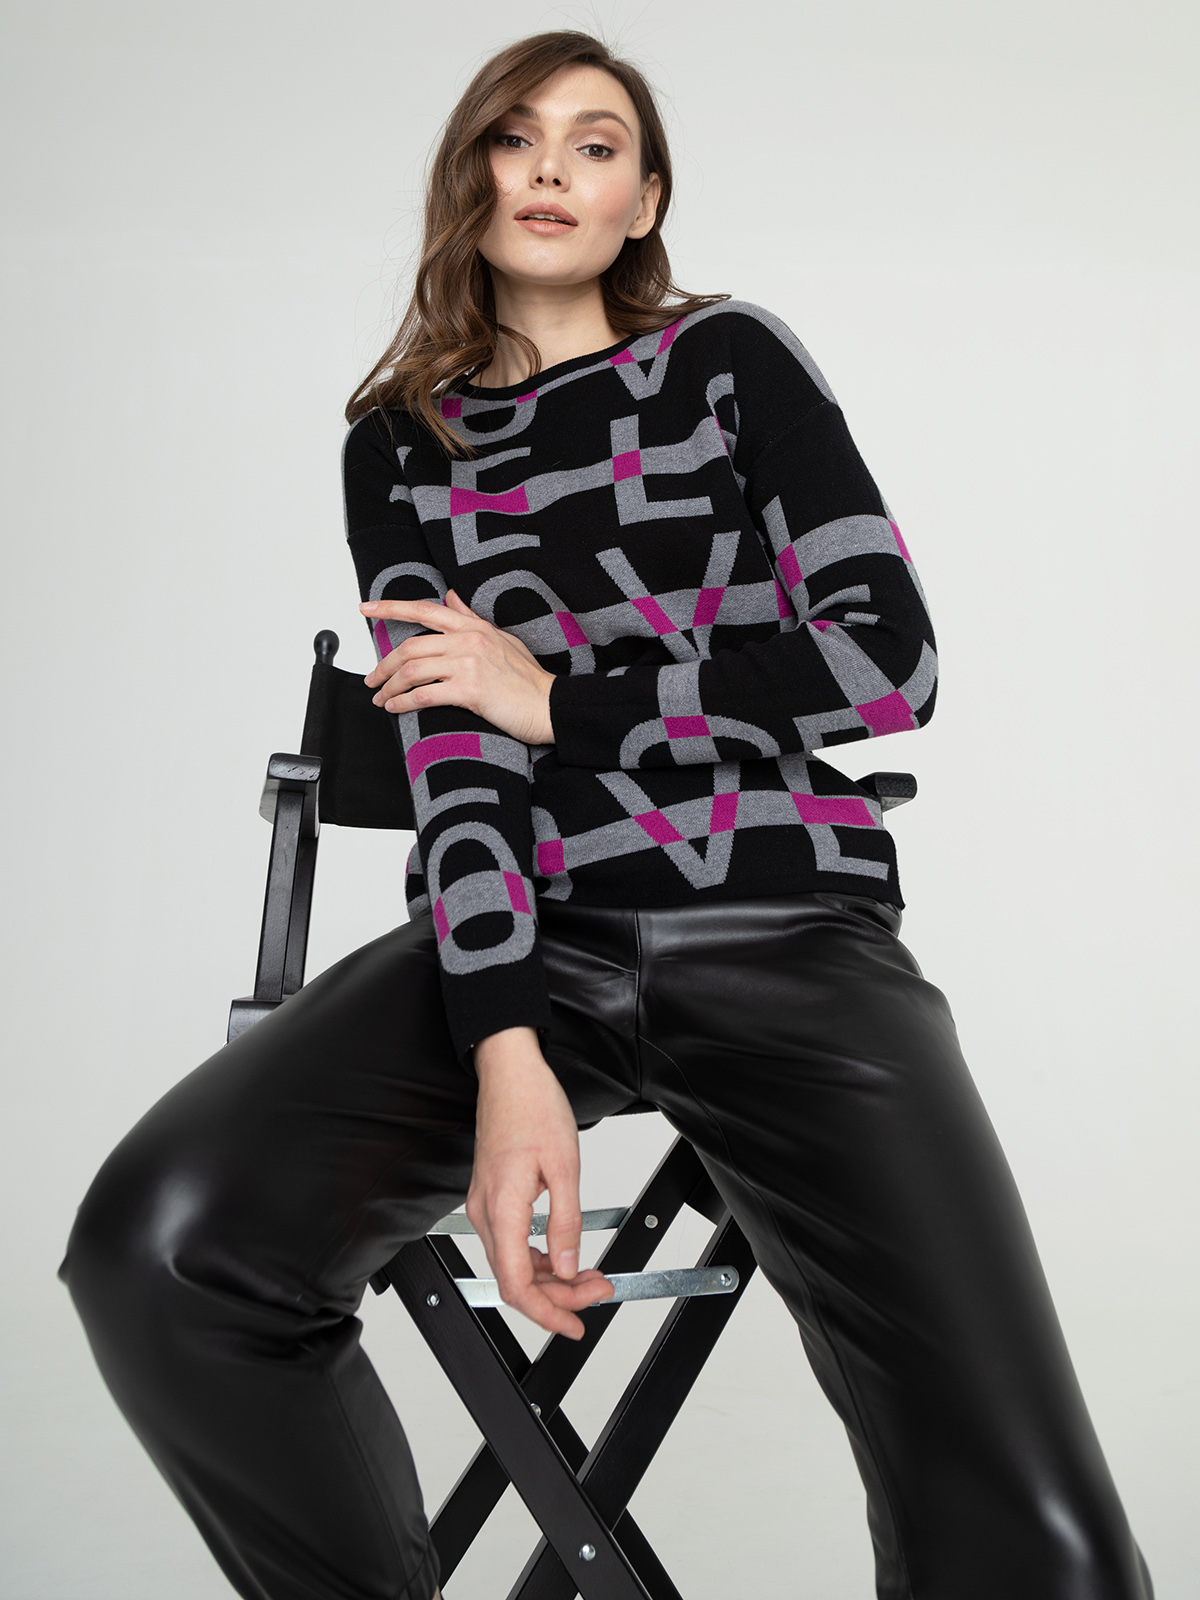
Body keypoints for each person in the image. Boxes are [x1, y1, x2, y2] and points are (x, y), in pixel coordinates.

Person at [61, 29, 1154, 1600]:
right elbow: (455, 755)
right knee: (164, 1248)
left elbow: (884, 660)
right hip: (529, 939)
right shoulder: (400, 443)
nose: (553, 170)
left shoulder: (727, 363)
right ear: (472, 177)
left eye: (596, 144)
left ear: (644, 201)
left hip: (786, 932)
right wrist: (506, 1051)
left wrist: (558, 702)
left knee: (1038, 1534)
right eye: (517, 138)